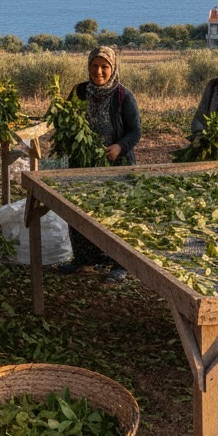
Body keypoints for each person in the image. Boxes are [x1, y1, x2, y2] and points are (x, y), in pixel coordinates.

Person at [63, 46, 142, 281]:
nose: (99, 71)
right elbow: (67, 122)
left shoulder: (123, 96)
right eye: (94, 66)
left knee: (113, 212)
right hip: (83, 164)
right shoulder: (78, 92)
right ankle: (84, 259)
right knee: (80, 209)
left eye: (104, 67)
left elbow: (135, 131)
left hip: (115, 165)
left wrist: (119, 147)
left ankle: (120, 264)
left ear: (113, 68)